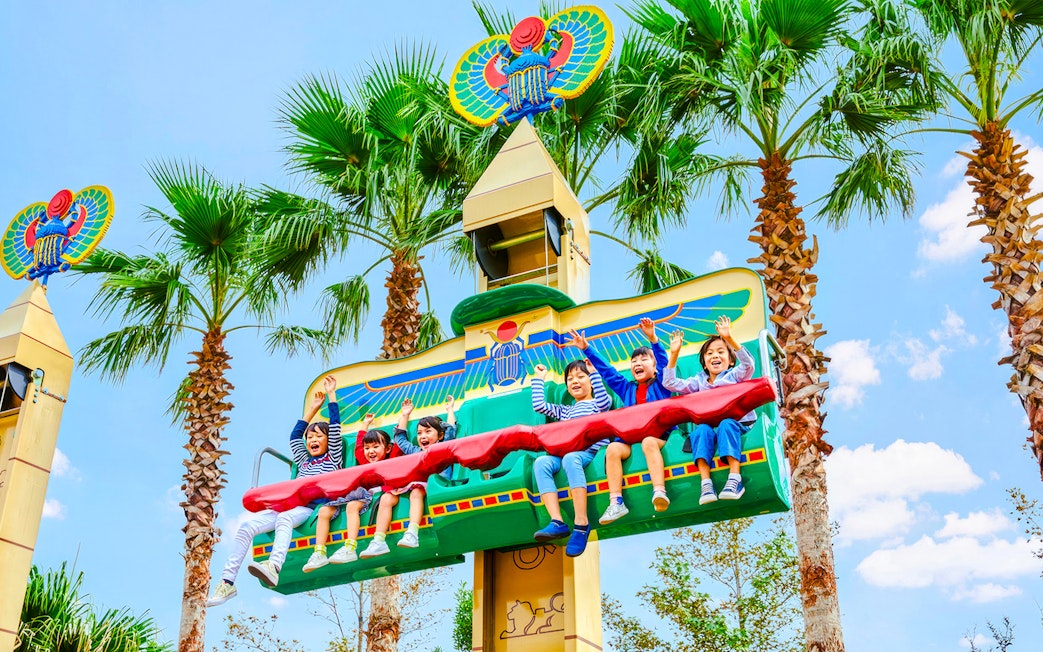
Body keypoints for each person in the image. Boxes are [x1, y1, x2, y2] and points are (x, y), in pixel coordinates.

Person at [207, 375, 342, 607]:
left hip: (309, 508)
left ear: (328, 441)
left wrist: (331, 396)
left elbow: (336, 428)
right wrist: (311, 410)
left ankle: (274, 566)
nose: (312, 440)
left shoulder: (333, 457)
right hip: (289, 503)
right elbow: (294, 437)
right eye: (310, 437)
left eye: (318, 436)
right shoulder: (304, 461)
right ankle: (226, 583)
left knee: (285, 519)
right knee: (246, 527)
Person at [576, 317, 675, 524]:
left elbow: (665, 364)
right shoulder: (627, 388)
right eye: (634, 361)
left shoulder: (662, 385)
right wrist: (586, 348)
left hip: (656, 435)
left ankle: (659, 491)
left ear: (654, 367)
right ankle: (616, 502)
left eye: (644, 360)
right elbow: (608, 372)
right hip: (630, 437)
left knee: (648, 442)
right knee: (612, 449)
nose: (637, 363)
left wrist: (653, 339)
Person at [662, 315, 756, 504]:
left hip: (737, 423)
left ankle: (734, 479)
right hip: (711, 426)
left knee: (726, 424)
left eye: (721, 352)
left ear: (730, 361)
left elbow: (748, 365)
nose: (715, 356)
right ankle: (706, 483)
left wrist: (729, 338)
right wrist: (673, 354)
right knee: (701, 430)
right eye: (710, 353)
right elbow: (669, 382)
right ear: (704, 363)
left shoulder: (734, 375)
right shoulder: (699, 382)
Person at [530, 357, 613, 556]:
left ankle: (581, 522)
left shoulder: (598, 404)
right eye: (570, 378)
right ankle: (557, 520)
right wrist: (539, 378)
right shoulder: (565, 411)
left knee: (570, 459)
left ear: (591, 381)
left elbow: (603, 400)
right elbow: (539, 406)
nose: (574, 381)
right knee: (541, 463)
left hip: (589, 452)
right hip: (566, 452)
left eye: (580, 376)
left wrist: (594, 372)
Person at [303, 412, 403, 571]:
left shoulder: (390, 461)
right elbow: (358, 446)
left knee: (354, 506)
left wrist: (404, 417)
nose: (370, 451)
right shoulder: (364, 462)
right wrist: (365, 424)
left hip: (375, 494)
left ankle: (356, 545)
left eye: (376, 447)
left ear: (388, 448)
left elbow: (399, 444)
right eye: (368, 448)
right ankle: (322, 552)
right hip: (356, 493)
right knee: (329, 509)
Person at [359, 396, 457, 557]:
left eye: (427, 431)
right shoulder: (416, 452)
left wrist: (450, 410)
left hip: (436, 482)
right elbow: (401, 440)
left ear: (439, 436)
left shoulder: (442, 448)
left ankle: (412, 533)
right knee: (386, 497)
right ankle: (378, 540)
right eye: (419, 433)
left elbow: (451, 430)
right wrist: (405, 415)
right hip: (415, 483)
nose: (422, 436)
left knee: (416, 491)